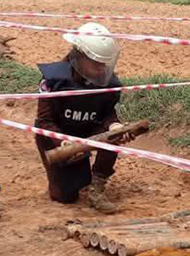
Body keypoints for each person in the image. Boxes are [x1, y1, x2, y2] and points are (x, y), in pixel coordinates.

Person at [34, 22, 124, 213]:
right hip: (56, 137)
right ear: (80, 57)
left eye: (104, 64)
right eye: (96, 63)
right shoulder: (53, 81)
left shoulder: (108, 83)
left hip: (87, 132)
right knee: (65, 196)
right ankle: (70, 177)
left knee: (113, 135)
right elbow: (44, 121)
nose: (101, 69)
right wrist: (63, 141)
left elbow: (107, 113)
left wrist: (114, 125)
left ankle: (97, 188)